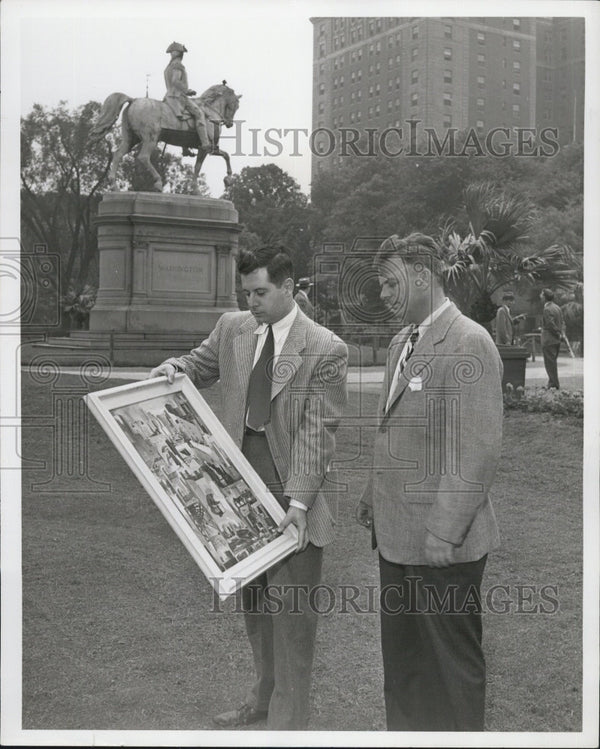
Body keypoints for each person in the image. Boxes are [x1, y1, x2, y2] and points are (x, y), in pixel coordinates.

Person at [150, 245, 348, 729]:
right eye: (246, 293)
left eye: (261, 292)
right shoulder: (232, 328)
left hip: (292, 493)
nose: (252, 303)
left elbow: (315, 433)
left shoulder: (325, 347)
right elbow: (199, 364)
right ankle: (262, 700)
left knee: (292, 618)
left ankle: (286, 725)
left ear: (289, 288)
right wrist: (175, 368)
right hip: (236, 493)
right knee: (257, 607)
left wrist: (298, 502)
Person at [355, 232, 503, 732]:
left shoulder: (469, 341)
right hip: (397, 543)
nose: (383, 294)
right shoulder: (403, 340)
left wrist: (444, 531)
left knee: (451, 673)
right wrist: (373, 493)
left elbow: (476, 448)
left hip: (443, 549)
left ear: (423, 275)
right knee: (405, 671)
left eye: (390, 281)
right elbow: (393, 427)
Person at [163, 41, 215, 155]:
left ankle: (185, 148)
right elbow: (175, 81)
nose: (172, 54)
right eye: (173, 52)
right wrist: (187, 90)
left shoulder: (168, 67)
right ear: (181, 54)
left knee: (186, 119)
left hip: (169, 97)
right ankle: (205, 143)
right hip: (179, 97)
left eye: (173, 52)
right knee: (199, 114)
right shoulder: (178, 65)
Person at [540, 288, 566, 389]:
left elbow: (550, 324)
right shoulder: (557, 307)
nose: (540, 297)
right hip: (556, 340)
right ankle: (552, 383)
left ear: (545, 297)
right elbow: (562, 322)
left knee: (550, 364)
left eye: (541, 295)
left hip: (549, 340)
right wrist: (561, 333)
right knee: (552, 363)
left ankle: (554, 384)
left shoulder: (547, 309)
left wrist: (557, 333)